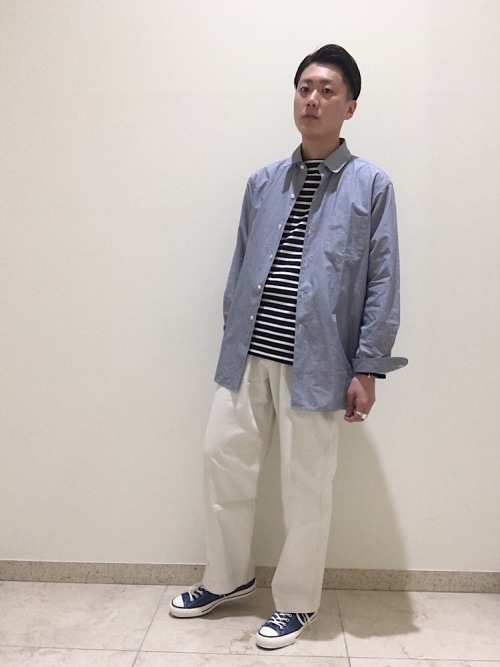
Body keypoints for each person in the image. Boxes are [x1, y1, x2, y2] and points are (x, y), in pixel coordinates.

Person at [169, 44, 407, 650]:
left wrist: (368, 368)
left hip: (319, 364)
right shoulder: (263, 183)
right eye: (304, 88)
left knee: (307, 487)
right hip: (248, 355)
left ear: (350, 107)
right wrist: (232, 337)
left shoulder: (371, 186)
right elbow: (239, 269)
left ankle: (297, 603)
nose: (312, 100)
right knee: (221, 460)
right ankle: (227, 577)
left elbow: (382, 280)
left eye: (327, 90)